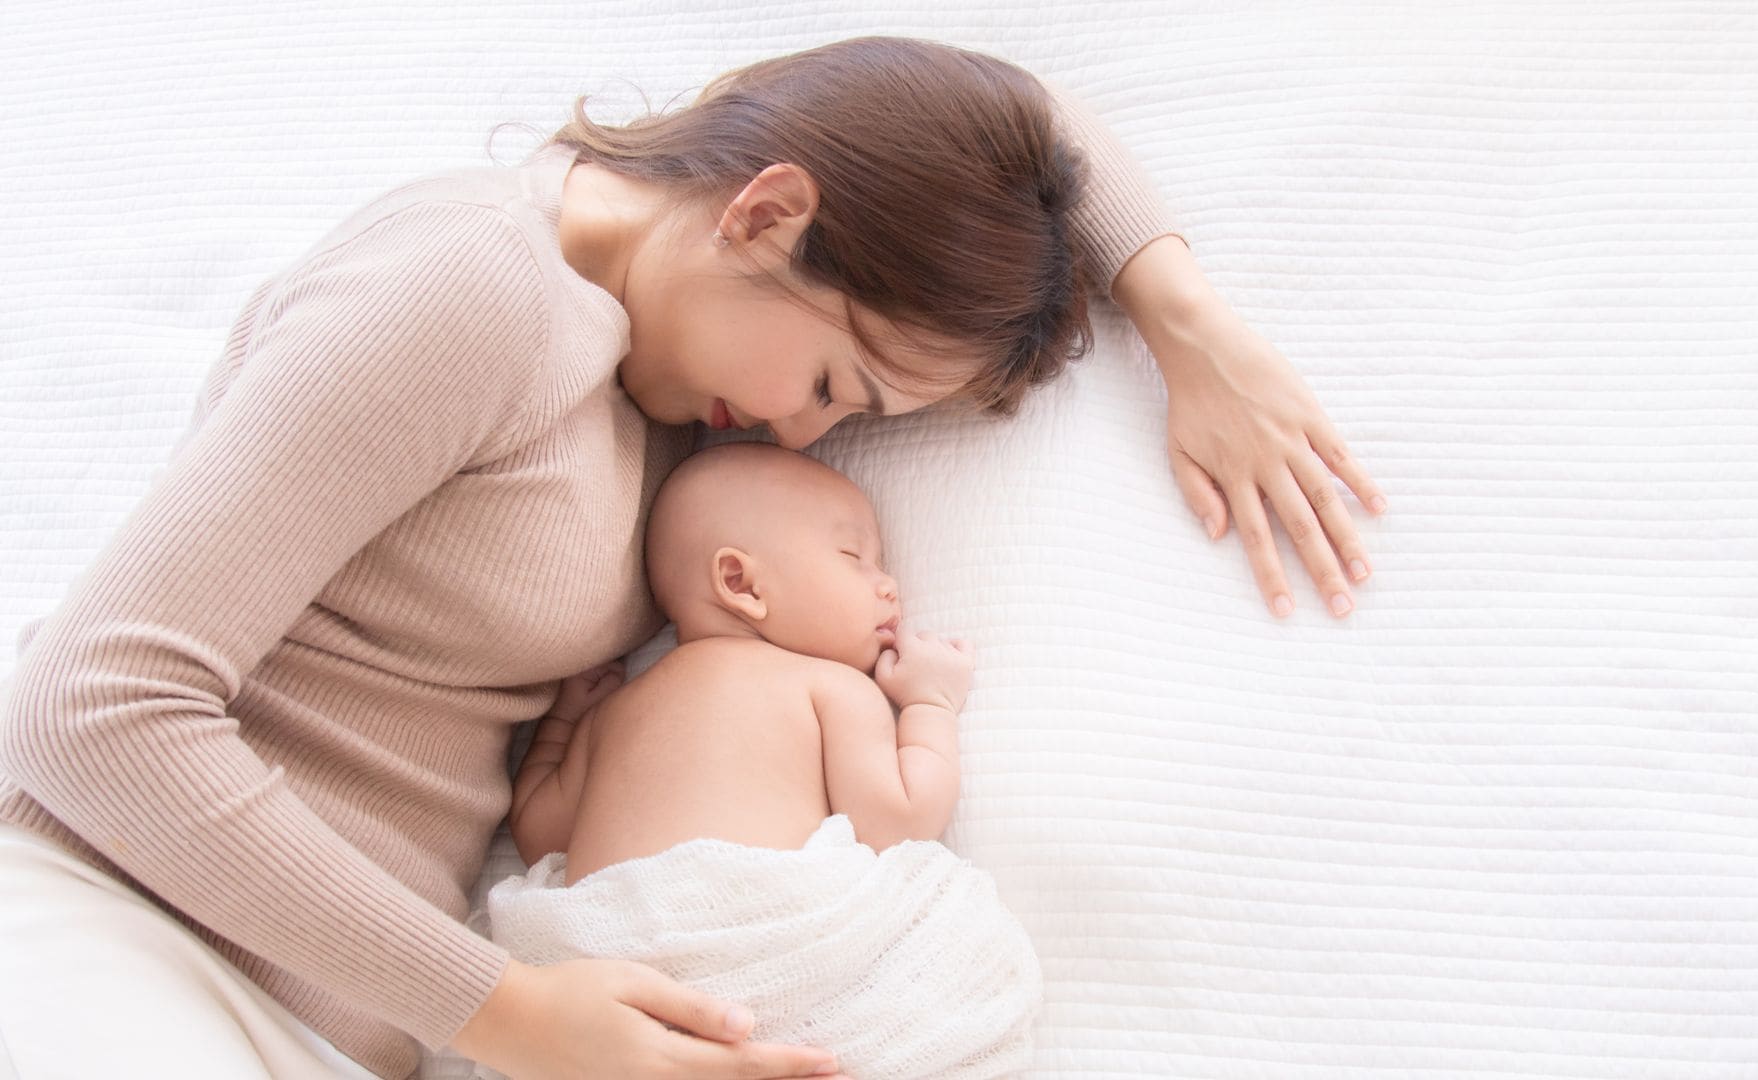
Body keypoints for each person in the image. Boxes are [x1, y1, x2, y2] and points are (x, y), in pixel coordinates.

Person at [0, 34, 1385, 1080]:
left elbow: (1021, 117)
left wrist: (1183, 319)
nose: (802, 432)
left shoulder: (666, 378)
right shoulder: (472, 285)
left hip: (333, 1027)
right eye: (837, 382)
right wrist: (513, 1011)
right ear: (766, 212)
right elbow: (89, 703)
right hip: (114, 925)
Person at [464, 441, 1041, 1080]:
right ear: (741, 584)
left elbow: (539, 831)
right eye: (854, 558)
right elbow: (900, 820)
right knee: (967, 967)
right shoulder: (825, 686)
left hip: (616, 994)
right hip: (768, 968)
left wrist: (565, 719)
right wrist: (931, 701)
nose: (889, 585)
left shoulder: (618, 712)